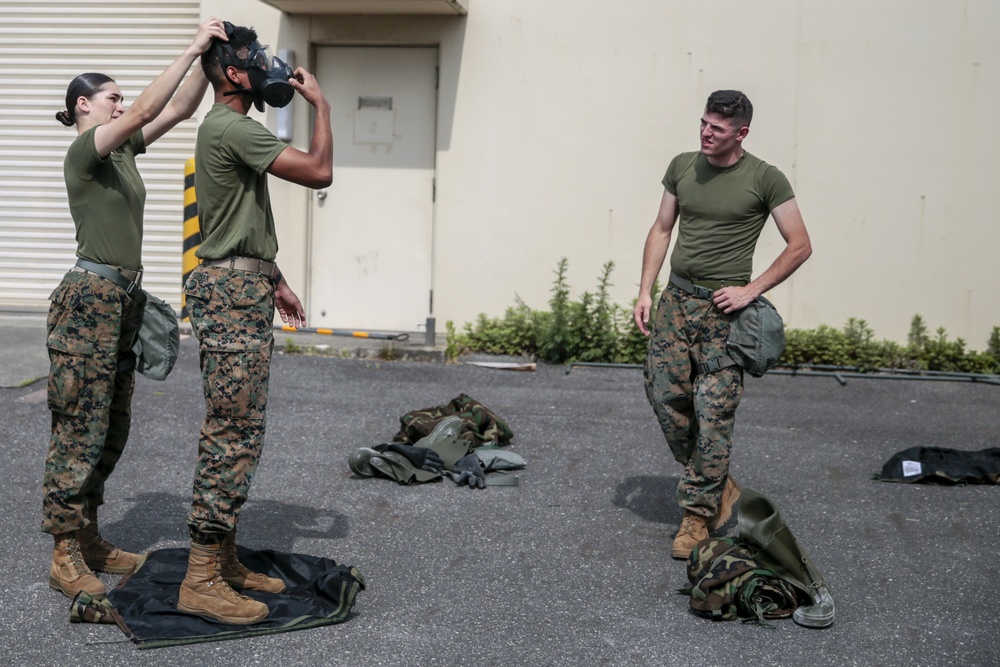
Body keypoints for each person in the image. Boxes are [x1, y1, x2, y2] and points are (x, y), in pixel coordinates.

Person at [43, 18, 227, 600]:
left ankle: (91, 535)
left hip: (122, 301)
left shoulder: (120, 153)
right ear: (83, 107)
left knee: (111, 426)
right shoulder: (85, 152)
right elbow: (148, 109)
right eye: (112, 99)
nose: (122, 105)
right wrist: (191, 44)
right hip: (87, 301)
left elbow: (174, 111)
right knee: (79, 427)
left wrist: (209, 64)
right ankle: (65, 552)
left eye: (121, 98)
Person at [177, 21, 332, 625]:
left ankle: (223, 557)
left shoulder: (228, 129)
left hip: (244, 284)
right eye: (256, 58)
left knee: (240, 426)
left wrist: (275, 278)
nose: (268, 64)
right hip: (230, 294)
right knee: (231, 433)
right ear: (236, 76)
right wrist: (321, 105)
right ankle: (200, 577)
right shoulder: (233, 128)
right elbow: (319, 172)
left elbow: (242, 218)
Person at [632, 90, 812, 560]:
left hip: (723, 314)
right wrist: (645, 289)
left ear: (741, 133)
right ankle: (718, 484)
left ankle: (696, 516)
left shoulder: (765, 178)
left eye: (717, 128)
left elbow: (799, 245)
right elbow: (662, 228)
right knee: (665, 400)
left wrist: (751, 290)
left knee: (714, 415)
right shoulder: (682, 166)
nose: (706, 133)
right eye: (703, 124)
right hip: (675, 302)